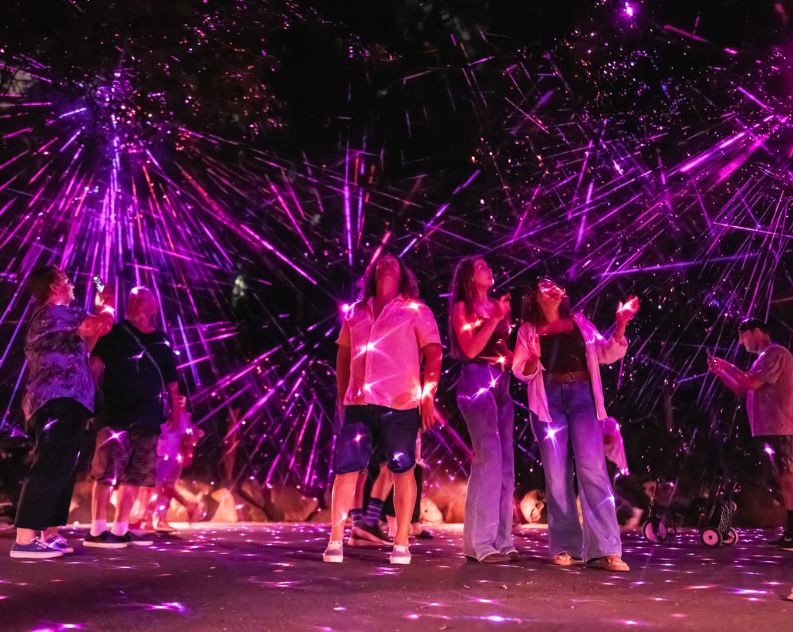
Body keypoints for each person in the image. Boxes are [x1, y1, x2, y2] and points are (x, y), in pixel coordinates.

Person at [512, 277, 638, 572]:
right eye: (543, 285)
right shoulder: (528, 330)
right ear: (535, 296)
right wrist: (531, 362)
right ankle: (566, 546)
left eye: (555, 284)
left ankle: (605, 550)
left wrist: (620, 324)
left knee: (593, 470)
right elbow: (521, 370)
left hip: (583, 397)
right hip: (549, 402)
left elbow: (606, 353)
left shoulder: (579, 322)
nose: (551, 287)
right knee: (557, 475)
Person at [323, 253, 442, 565]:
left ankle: (401, 542)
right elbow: (343, 356)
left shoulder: (415, 311)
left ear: (402, 273)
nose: (388, 261)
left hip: (400, 403)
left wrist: (428, 395)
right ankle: (336, 539)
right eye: (383, 259)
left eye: (394, 260)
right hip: (358, 403)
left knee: (402, 469)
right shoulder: (356, 312)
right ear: (373, 271)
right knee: (346, 469)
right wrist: (341, 394)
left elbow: (433, 352)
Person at [11, 266, 113, 559]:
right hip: (56, 399)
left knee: (63, 466)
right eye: (67, 281)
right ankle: (25, 538)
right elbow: (101, 327)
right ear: (54, 286)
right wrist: (107, 306)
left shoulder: (63, 320)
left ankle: (49, 533)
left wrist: (99, 311)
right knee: (50, 463)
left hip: (70, 400)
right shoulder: (52, 314)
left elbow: (89, 343)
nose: (72, 286)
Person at [84, 287, 181, 549]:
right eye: (133, 299)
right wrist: (93, 399)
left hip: (147, 419)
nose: (136, 303)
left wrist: (176, 413)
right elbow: (95, 365)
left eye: (143, 300)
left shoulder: (161, 340)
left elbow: (172, 383)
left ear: (154, 308)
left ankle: (121, 528)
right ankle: (97, 529)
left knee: (135, 476)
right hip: (116, 414)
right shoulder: (114, 332)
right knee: (106, 473)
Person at [449, 256, 516, 563]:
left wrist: (526, 356)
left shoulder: (498, 309)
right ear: (468, 277)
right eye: (481, 267)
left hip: (501, 383)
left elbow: (502, 350)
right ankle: (480, 544)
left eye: (490, 266)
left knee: (505, 464)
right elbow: (472, 349)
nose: (489, 269)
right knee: (488, 457)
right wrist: (494, 318)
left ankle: (502, 541)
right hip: (476, 379)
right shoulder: (463, 308)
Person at [708, 318, 793, 550]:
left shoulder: (775, 353)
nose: (740, 342)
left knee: (787, 479)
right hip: (769, 429)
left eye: (742, 335)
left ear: (756, 332)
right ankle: (790, 531)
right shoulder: (762, 359)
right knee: (780, 480)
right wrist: (720, 372)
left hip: (781, 428)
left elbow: (750, 383)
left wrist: (726, 366)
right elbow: (740, 389)